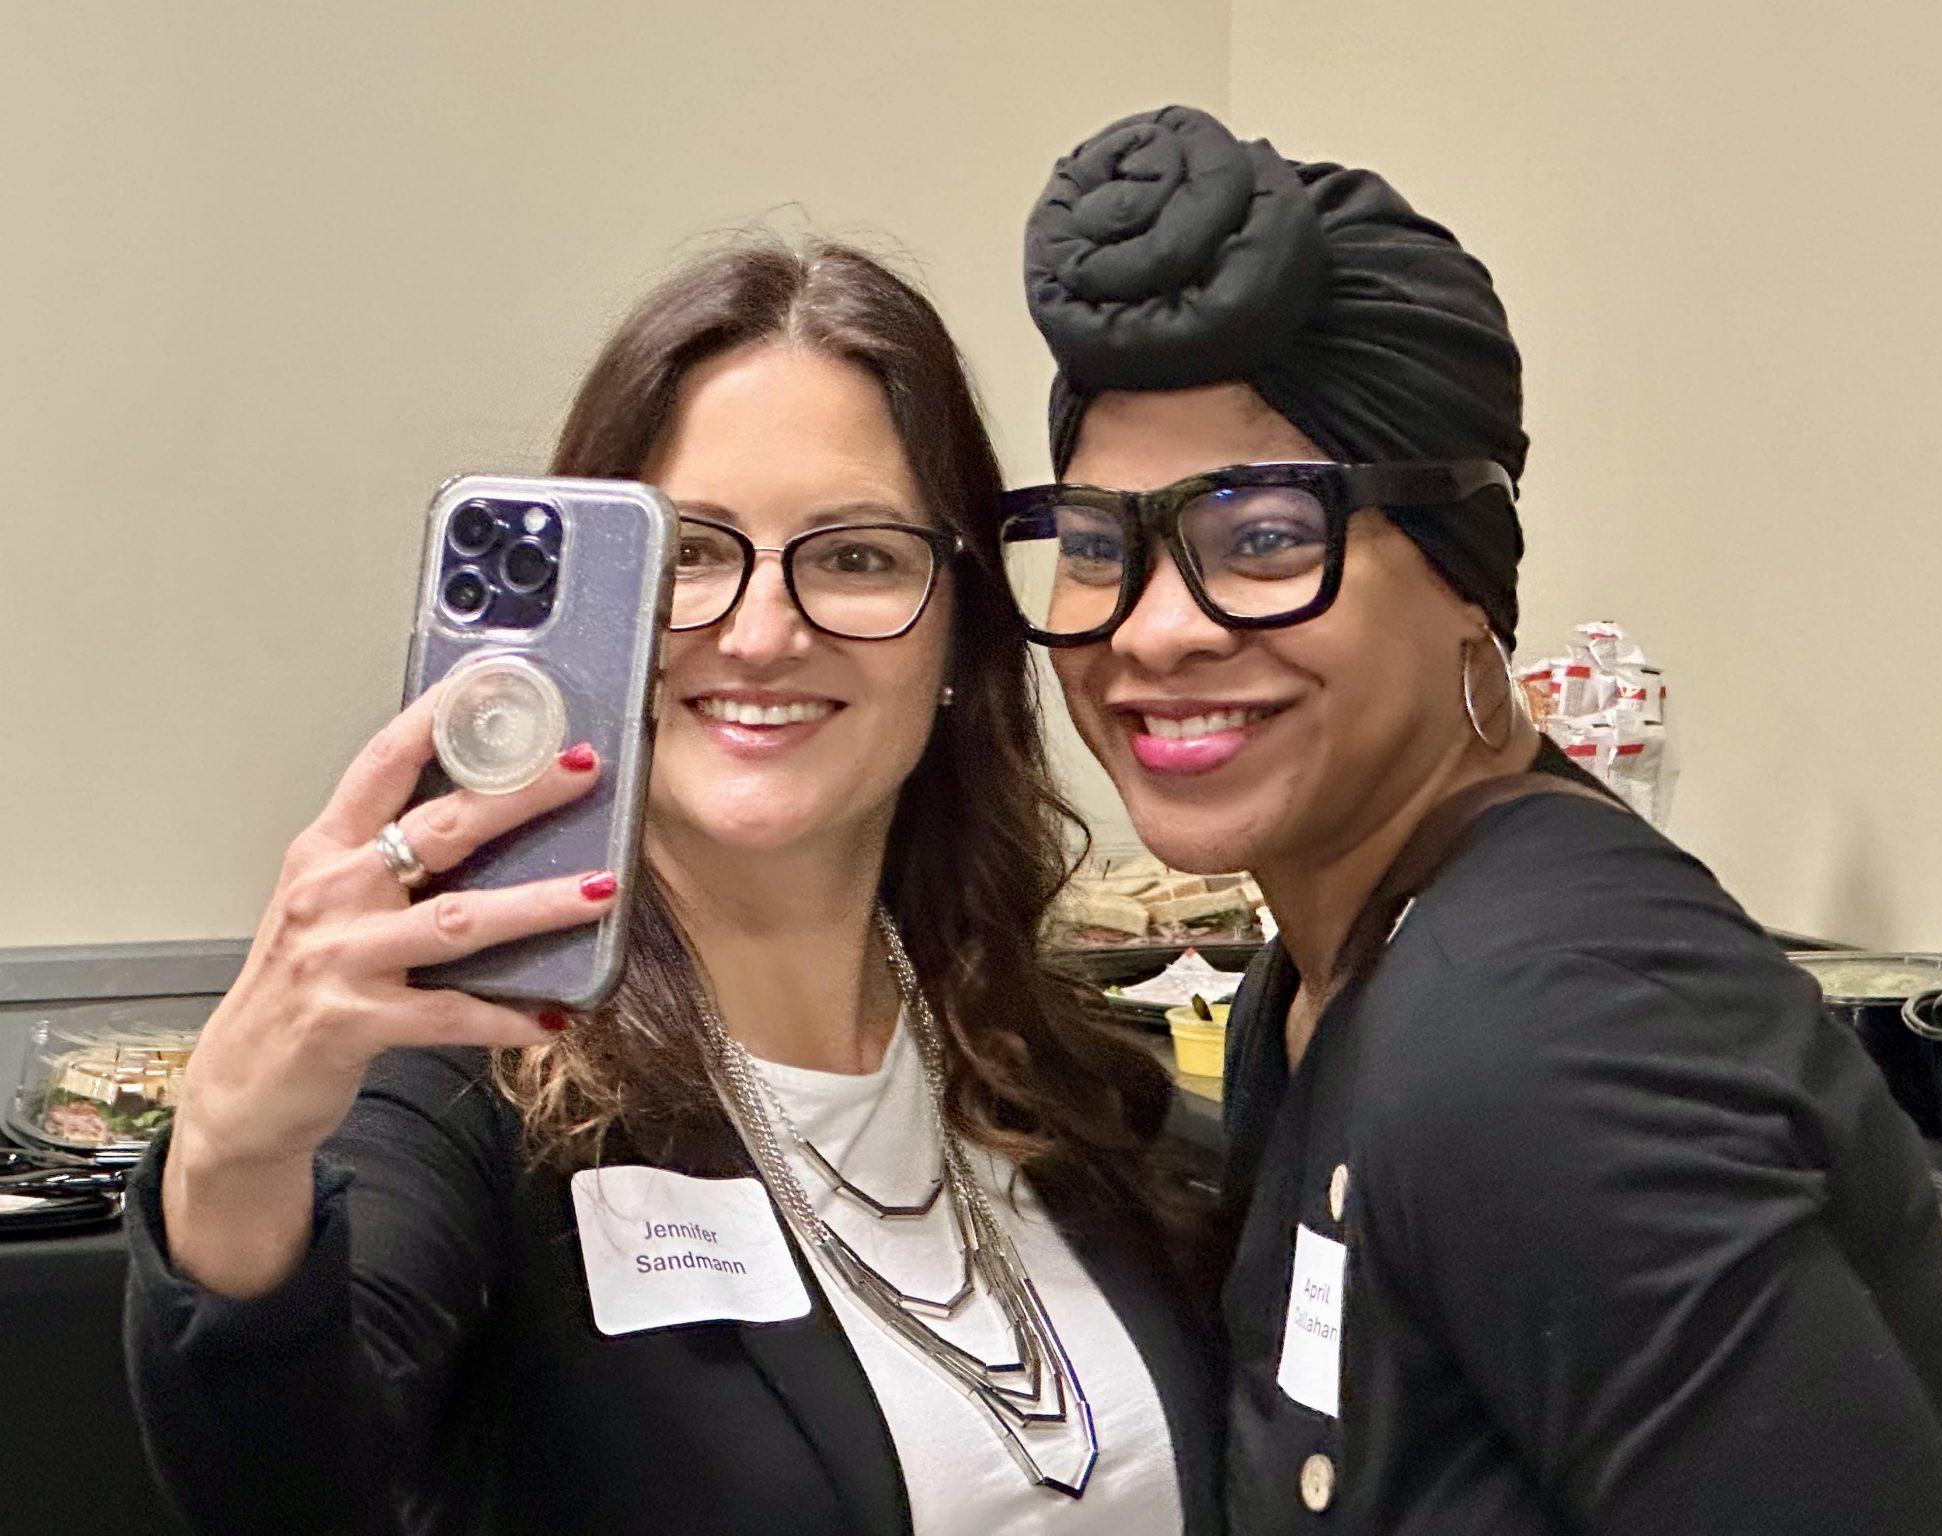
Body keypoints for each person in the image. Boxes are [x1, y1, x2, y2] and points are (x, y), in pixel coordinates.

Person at [1003, 105, 1942, 1533]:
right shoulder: (1315, 976)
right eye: (1096, 542)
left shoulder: (1538, 1034)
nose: (1154, 627)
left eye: (1267, 536)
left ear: (1466, 575)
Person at [125, 240, 1220, 1536]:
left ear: (959, 630)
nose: (762, 633)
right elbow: (287, 1488)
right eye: (689, 553)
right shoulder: (472, 1073)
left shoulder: (1070, 1084)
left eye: (856, 558)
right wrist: (234, 1157)